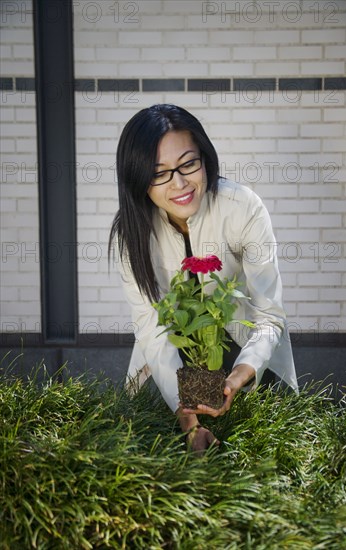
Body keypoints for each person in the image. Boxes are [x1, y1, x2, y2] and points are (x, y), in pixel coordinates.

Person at [109, 104, 298, 453]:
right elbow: (152, 328)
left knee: (257, 452)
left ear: (205, 159)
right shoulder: (131, 235)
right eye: (159, 172)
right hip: (169, 365)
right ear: (138, 180)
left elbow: (270, 316)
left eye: (188, 164)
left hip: (245, 355)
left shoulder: (242, 207)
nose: (179, 183)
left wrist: (240, 375)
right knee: (158, 455)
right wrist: (190, 423)